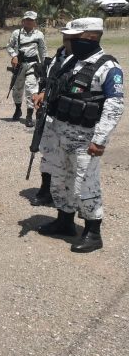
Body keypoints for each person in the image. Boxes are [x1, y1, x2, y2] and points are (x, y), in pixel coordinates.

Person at [35, 17, 123, 253]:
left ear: (90, 38)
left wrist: (100, 140)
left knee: (85, 184)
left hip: (86, 139)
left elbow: (114, 107)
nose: (68, 42)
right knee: (60, 179)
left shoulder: (108, 67)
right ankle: (64, 221)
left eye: (73, 38)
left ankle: (93, 232)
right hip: (60, 135)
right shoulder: (71, 61)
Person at [28, 26, 71, 207]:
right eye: (65, 36)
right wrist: (42, 93)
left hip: (71, 117)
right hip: (51, 113)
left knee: (69, 159)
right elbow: (49, 80)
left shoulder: (86, 60)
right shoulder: (59, 56)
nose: (66, 39)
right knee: (47, 152)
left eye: (70, 36)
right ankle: (46, 189)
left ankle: (66, 196)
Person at [6, 11, 46, 127]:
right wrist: (14, 56)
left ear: (35, 22)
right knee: (17, 89)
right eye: (27, 19)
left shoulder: (39, 35)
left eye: (31, 20)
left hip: (33, 64)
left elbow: (43, 50)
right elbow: (9, 46)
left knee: (31, 88)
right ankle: (18, 109)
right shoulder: (16, 33)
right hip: (20, 65)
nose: (28, 22)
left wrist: (45, 65)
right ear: (23, 21)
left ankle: (29, 115)